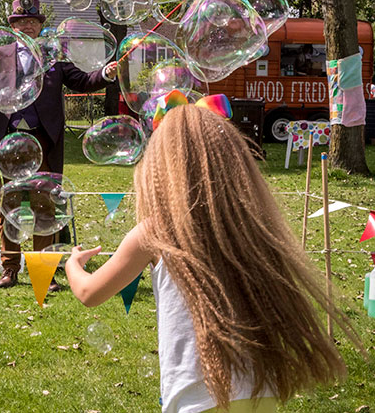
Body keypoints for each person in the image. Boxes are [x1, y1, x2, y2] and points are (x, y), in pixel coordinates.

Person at [64, 103, 354, 412]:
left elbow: (89, 292)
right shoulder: (248, 227)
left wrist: (72, 263)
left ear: (160, 169)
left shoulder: (154, 232)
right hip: (259, 396)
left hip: (197, 402)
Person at [0, 0, 117, 289]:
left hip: (44, 141)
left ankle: (44, 271)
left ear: (40, 26)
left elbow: (82, 80)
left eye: (33, 22)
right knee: (9, 205)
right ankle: (10, 269)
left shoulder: (54, 55)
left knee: (44, 207)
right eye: (21, 21)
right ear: (12, 25)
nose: (28, 26)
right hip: (6, 140)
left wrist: (105, 73)